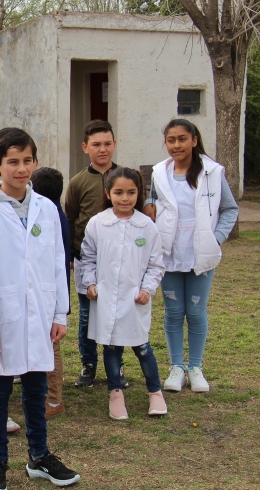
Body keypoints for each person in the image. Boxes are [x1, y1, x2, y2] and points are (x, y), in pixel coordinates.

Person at [0, 128, 80, 490]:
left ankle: (39, 456)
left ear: (35, 162)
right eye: (12, 162)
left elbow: (58, 261)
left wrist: (59, 313)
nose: (21, 168)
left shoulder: (46, 208)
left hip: (41, 313)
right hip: (1, 317)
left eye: (27, 161)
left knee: (35, 387)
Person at [144, 119, 238, 393]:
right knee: (173, 312)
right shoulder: (159, 173)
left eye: (182, 139)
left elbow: (230, 209)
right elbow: (152, 200)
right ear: (166, 143)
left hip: (201, 254)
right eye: (171, 140)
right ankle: (176, 367)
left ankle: (195, 367)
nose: (176, 145)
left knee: (196, 311)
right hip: (170, 253)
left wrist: (216, 239)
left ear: (194, 140)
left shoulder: (212, 172)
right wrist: (150, 206)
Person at [81, 167, 167, 420]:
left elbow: (155, 263)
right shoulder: (98, 224)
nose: (125, 198)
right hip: (107, 297)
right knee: (111, 347)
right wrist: (90, 283)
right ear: (108, 193)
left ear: (138, 193)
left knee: (142, 347)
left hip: (134, 299)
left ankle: (155, 392)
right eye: (118, 192)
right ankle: (115, 393)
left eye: (131, 192)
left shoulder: (146, 226)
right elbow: (87, 258)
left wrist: (147, 289)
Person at [65, 119, 129, 389]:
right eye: (96, 145)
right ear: (85, 147)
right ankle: (88, 365)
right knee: (88, 315)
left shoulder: (126, 178)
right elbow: (69, 220)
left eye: (107, 143)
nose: (102, 149)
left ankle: (117, 367)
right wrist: (69, 255)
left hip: (120, 261)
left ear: (114, 144)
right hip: (86, 260)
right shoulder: (78, 182)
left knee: (119, 313)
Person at [31, 167, 70, 420]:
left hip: (52, 291)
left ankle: (54, 399)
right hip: (46, 289)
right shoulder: (56, 211)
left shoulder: (50, 214)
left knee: (51, 345)